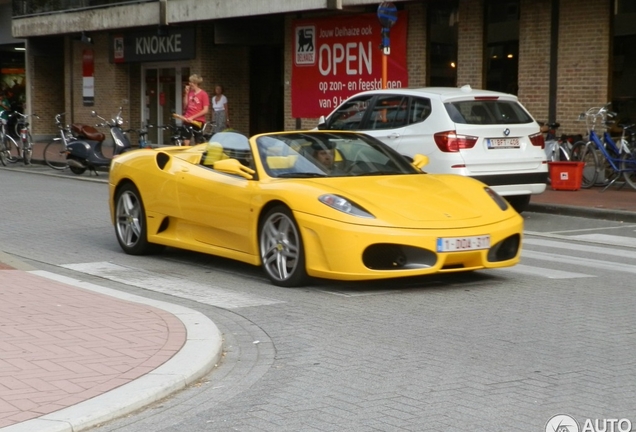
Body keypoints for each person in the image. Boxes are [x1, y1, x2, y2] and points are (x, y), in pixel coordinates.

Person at [180, 74, 209, 146]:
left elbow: (205, 110)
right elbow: (185, 106)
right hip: (187, 119)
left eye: (191, 82)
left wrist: (192, 117)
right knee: (186, 140)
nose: (189, 84)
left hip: (198, 121)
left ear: (195, 83)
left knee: (198, 141)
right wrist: (186, 94)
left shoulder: (203, 94)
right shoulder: (190, 93)